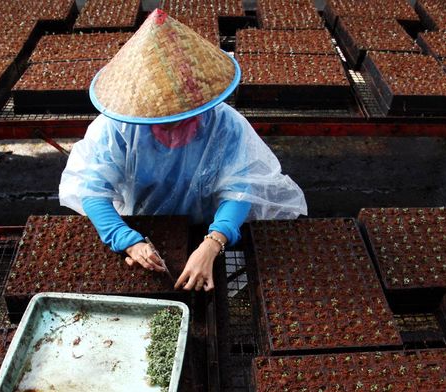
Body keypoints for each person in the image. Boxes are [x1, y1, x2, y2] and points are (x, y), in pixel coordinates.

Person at [59, 9, 306, 292]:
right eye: (164, 119)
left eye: (185, 115)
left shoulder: (224, 125)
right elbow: (92, 190)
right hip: (141, 220)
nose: (175, 125)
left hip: (207, 221)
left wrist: (213, 243)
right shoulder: (117, 129)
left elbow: (240, 190)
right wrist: (126, 239)